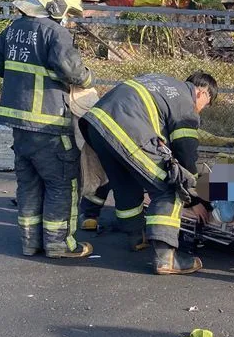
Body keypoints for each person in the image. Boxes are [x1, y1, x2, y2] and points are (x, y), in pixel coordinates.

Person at [79, 72, 217, 275]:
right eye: (208, 102)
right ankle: (166, 258)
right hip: (126, 127)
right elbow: (186, 150)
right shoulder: (185, 102)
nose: (203, 109)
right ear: (201, 93)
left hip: (97, 124)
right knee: (170, 185)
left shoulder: (163, 83)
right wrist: (193, 197)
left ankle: (136, 238)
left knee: (125, 182)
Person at [0, 0, 94, 258]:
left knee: (28, 184)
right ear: (56, 5)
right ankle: (59, 244)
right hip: (49, 125)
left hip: (19, 126)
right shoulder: (55, 32)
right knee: (61, 183)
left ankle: (30, 243)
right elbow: (75, 73)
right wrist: (89, 78)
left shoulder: (13, 29)